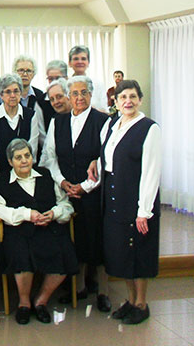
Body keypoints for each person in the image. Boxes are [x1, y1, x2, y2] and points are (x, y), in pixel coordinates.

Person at [91, 80, 161, 324]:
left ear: (140, 99)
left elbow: (151, 172)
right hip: (113, 198)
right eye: (123, 97)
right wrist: (93, 166)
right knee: (122, 253)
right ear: (116, 101)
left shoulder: (149, 128)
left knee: (138, 252)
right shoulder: (112, 124)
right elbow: (105, 159)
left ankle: (141, 304)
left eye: (132, 96)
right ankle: (131, 301)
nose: (128, 101)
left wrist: (144, 211)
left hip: (136, 200)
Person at [40, 77, 111, 312]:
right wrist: (62, 181)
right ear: (69, 97)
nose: (79, 98)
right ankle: (78, 288)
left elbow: (105, 158)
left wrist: (85, 186)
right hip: (65, 191)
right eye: (75, 93)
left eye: (84, 93)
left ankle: (103, 292)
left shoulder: (102, 121)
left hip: (92, 192)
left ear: (90, 94)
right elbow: (50, 156)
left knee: (97, 240)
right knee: (74, 240)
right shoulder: (57, 122)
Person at [0, 138, 77, 325]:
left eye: (27, 156)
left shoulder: (46, 175)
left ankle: (41, 301)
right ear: (10, 161)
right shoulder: (1, 182)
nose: (24, 161)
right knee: (20, 253)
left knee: (64, 251)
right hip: (19, 231)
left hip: (48, 229)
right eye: (18, 157)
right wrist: (26, 214)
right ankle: (24, 303)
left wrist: (53, 213)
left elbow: (65, 205)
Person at [0, 73, 39, 183]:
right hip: (1, 177)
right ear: (1, 95)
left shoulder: (31, 116)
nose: (12, 95)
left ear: (21, 93)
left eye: (16, 91)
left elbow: (32, 149)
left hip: (26, 175)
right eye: (8, 92)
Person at [68, 45, 108, 112]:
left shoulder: (98, 84)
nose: (80, 62)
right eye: (76, 59)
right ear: (69, 63)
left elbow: (104, 110)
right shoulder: (65, 85)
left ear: (88, 62)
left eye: (83, 59)